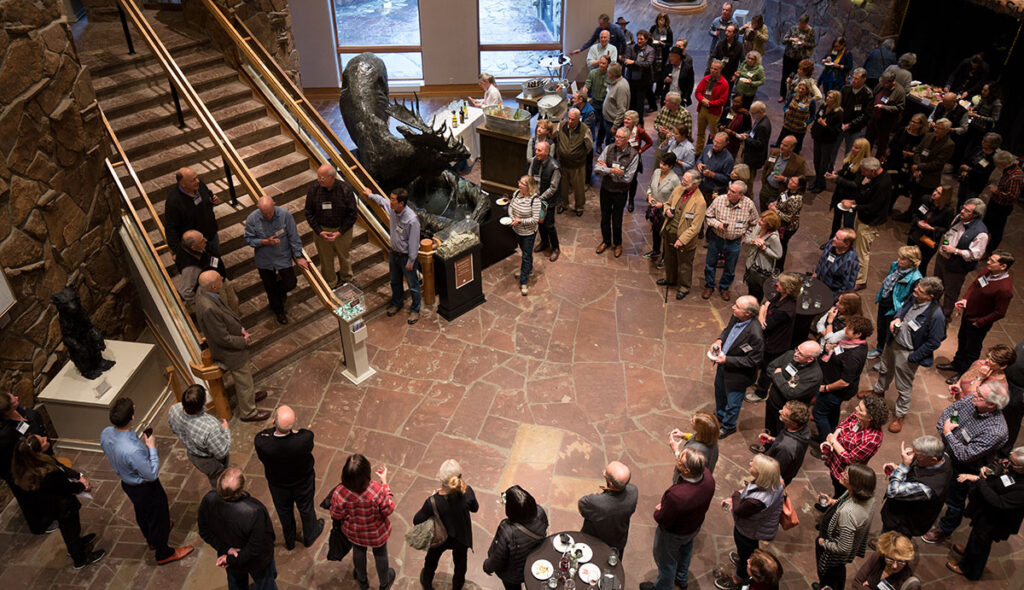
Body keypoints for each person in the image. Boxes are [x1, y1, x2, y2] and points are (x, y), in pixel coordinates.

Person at [100, 397, 194, 565]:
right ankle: (164, 553)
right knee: (158, 516)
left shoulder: (106, 433)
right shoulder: (132, 450)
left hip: (127, 483)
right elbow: (151, 474)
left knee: (142, 512)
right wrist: (151, 447)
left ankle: (151, 539)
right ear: (132, 417)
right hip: (144, 487)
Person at [923, 382, 1010, 545]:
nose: (973, 395)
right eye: (977, 392)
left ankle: (945, 529)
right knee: (935, 484)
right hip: (945, 453)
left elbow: (965, 455)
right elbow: (948, 413)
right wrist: (945, 430)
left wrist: (948, 433)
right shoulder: (973, 400)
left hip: (963, 469)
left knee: (954, 501)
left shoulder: (995, 430)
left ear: (991, 404)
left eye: (979, 396)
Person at [10, 434, 105, 569]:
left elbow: (60, 467)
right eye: (43, 441)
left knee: (71, 530)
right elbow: (65, 487)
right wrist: (82, 487)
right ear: (37, 452)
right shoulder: (46, 475)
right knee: (70, 530)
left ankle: (77, 543)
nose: (45, 438)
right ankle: (79, 558)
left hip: (54, 506)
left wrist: (78, 476)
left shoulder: (34, 464)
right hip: (62, 508)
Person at [871, 277, 946, 432]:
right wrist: (897, 317)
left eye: (920, 290)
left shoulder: (936, 316)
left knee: (903, 385)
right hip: (893, 342)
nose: (915, 290)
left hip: (908, 352)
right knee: (884, 369)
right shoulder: (914, 297)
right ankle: (878, 392)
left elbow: (934, 342)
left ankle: (900, 414)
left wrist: (913, 357)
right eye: (917, 286)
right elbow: (903, 308)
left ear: (930, 296)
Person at [194, 270, 270, 422]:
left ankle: (248, 398)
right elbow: (222, 338)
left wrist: (239, 329)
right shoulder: (208, 308)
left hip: (233, 339)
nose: (222, 278)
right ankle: (248, 412)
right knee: (244, 380)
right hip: (228, 352)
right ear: (214, 286)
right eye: (219, 278)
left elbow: (225, 319)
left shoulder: (205, 292)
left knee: (246, 380)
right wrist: (243, 340)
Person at [640, 449, 715, 590]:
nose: (677, 459)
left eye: (679, 459)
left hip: (673, 533)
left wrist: (660, 509)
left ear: (686, 471)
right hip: (693, 527)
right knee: (685, 550)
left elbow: (662, 519)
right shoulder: (708, 477)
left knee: (666, 562)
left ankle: (663, 587)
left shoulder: (677, 496)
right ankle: (681, 578)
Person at [947, 446, 1024, 580]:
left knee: (981, 543)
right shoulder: (1014, 466)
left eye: (1013, 463)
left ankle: (970, 570)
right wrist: (988, 470)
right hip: (986, 512)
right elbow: (1001, 466)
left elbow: (999, 502)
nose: (1008, 464)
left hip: (996, 521)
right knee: (976, 535)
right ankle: (969, 552)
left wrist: (980, 481)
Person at [254, 405, 323, 551]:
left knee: (284, 512)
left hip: (278, 484)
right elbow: (306, 433)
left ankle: (290, 541)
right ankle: (310, 535)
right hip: (303, 481)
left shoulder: (263, 442)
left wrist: (273, 432)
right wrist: (294, 432)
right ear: (295, 422)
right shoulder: (304, 439)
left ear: (273, 421)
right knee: (306, 507)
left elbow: (262, 435)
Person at [938, 250, 1014, 380]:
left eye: (992, 261)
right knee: (962, 340)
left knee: (971, 350)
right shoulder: (988, 271)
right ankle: (956, 363)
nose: (988, 262)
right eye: (989, 259)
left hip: (978, 323)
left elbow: (1000, 312)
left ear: (1003, 267)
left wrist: (979, 322)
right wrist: (965, 299)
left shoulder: (1005, 289)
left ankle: (963, 374)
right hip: (968, 314)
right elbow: (975, 285)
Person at [198, 467, 278, 590]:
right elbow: (256, 548)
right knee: (266, 584)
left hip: (231, 560)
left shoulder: (208, 500)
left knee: (236, 583)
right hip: (255, 562)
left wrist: (227, 551)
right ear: (240, 490)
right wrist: (230, 557)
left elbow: (204, 531)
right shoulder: (254, 511)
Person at [716, 455, 785, 590]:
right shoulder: (777, 480)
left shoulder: (756, 501)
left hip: (749, 531)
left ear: (761, 474)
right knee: (748, 550)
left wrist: (735, 495)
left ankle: (739, 576)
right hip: (760, 526)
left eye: (753, 464)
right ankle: (745, 559)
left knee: (746, 551)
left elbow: (739, 510)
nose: (750, 463)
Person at [330, 454, 396, 590]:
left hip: (355, 533)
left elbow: (336, 514)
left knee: (358, 552)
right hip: (377, 534)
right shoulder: (376, 490)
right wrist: (385, 483)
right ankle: (384, 583)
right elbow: (388, 508)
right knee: (381, 555)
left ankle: (362, 580)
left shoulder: (339, 492)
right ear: (367, 474)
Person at [243, 195, 308, 325]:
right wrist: (264, 242)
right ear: (258, 208)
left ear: (274, 205)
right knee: (269, 285)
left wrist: (299, 256)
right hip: (264, 260)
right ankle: (278, 311)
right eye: (264, 213)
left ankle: (275, 296)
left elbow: (293, 237)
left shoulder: (285, 215)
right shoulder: (252, 219)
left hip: (282, 256)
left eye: (270, 212)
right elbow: (248, 239)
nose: (267, 216)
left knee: (290, 283)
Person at [414, 460, 478, 590]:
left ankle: (427, 583)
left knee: (431, 561)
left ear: (441, 479)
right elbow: (475, 508)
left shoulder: (432, 502)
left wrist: (432, 504)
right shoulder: (467, 491)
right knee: (460, 564)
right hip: (461, 537)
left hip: (440, 538)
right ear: (458, 478)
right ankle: (457, 587)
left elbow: (417, 520)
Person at [0, 390, 56, 534]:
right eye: (14, 400)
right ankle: (41, 524)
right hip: (23, 469)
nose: (18, 397)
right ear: (6, 411)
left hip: (39, 460)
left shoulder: (24, 413)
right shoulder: (6, 436)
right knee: (30, 498)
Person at [364, 187, 422, 325]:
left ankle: (415, 310)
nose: (390, 201)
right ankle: (397, 302)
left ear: (401, 203)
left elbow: (414, 242)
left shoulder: (412, 220)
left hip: (406, 257)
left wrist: (411, 261)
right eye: (391, 198)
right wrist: (371, 195)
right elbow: (382, 201)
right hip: (393, 253)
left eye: (393, 199)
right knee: (394, 281)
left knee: (413, 284)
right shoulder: (393, 209)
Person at [815, 464, 877, 590]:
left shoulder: (848, 513)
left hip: (831, 555)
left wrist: (823, 543)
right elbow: (847, 501)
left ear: (856, 484)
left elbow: (843, 548)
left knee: (828, 577)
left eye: (846, 475)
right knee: (837, 573)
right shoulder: (866, 497)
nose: (842, 474)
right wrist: (834, 502)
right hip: (838, 559)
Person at [709, 295, 764, 437]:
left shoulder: (755, 334)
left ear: (748, 313)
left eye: (737, 306)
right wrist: (719, 341)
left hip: (738, 375)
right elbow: (728, 330)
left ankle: (728, 426)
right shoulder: (737, 317)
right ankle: (720, 415)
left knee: (733, 402)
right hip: (723, 366)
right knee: (719, 392)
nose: (733, 307)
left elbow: (753, 361)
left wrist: (727, 360)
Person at [879, 436, 953, 538]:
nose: (913, 457)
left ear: (933, 459)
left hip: (903, 524)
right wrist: (897, 468)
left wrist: (903, 467)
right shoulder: (943, 457)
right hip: (902, 512)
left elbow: (893, 491)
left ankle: (883, 550)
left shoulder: (928, 487)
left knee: (891, 546)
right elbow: (915, 474)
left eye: (917, 455)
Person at [814, 315, 872, 440]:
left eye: (849, 328)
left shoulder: (853, 356)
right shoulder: (851, 343)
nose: (845, 329)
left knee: (818, 414)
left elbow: (845, 382)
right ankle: (832, 430)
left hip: (835, 391)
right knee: (832, 411)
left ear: (858, 334)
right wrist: (830, 349)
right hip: (832, 382)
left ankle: (827, 442)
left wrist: (825, 388)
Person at [932, 198, 988, 319]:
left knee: (950, 292)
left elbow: (975, 255)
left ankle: (944, 315)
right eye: (963, 208)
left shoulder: (981, 233)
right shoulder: (959, 217)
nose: (962, 211)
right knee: (935, 284)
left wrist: (955, 251)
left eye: (967, 211)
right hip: (942, 258)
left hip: (956, 266)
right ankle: (931, 307)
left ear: (975, 215)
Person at [482, 485, 548, 590]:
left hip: (513, 574)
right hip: (533, 563)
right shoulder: (540, 512)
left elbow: (498, 555)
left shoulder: (507, 529)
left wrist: (487, 566)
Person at [819, 397, 887, 498]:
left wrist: (833, 442)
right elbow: (843, 424)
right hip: (834, 461)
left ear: (869, 418)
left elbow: (850, 459)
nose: (856, 409)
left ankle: (833, 506)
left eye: (860, 409)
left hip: (844, 472)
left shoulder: (872, 439)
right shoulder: (858, 416)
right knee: (834, 483)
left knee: (841, 493)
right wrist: (834, 437)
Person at [749, 274, 801, 402]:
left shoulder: (786, 309)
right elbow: (764, 304)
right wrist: (763, 312)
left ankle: (761, 393)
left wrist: (763, 313)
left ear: (788, 288)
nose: (776, 284)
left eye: (781, 283)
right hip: (768, 340)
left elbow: (765, 326)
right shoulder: (780, 296)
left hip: (775, 345)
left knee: (768, 369)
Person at [167, 383, 231, 488]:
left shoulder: (174, 409)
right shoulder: (210, 427)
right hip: (212, 461)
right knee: (222, 481)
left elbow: (174, 429)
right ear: (203, 403)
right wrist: (226, 430)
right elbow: (221, 453)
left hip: (194, 455)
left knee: (213, 478)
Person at [703, 181, 758, 301]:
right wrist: (718, 225)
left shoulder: (749, 205)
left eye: (733, 192)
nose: (728, 193)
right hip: (717, 238)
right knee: (710, 264)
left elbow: (755, 223)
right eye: (729, 189)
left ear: (741, 195)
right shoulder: (719, 200)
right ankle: (709, 285)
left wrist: (747, 236)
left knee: (730, 267)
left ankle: (724, 287)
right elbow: (708, 216)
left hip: (734, 241)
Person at [305, 163, 357, 288]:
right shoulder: (314, 190)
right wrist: (319, 231)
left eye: (322, 178)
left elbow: (352, 214)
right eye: (318, 177)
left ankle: (347, 279)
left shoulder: (345, 190)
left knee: (344, 257)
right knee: (325, 259)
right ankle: (331, 283)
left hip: (341, 231)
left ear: (332, 177)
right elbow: (308, 212)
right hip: (322, 231)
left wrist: (340, 232)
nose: (319, 180)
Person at [869, 246, 923, 358]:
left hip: (895, 309)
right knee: (881, 328)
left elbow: (911, 300)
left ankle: (886, 358)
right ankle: (880, 349)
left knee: (891, 335)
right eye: (899, 257)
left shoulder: (916, 278)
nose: (899, 260)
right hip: (884, 301)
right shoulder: (895, 266)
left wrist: (899, 313)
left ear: (912, 261)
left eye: (903, 259)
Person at [577, 461, 638, 557]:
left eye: (605, 473)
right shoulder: (634, 491)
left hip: (594, 543)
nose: (604, 474)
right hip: (618, 542)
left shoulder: (595, 502)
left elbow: (581, 506)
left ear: (611, 483)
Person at [762, 340, 823, 436]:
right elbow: (770, 368)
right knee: (769, 428)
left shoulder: (814, 376)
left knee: (781, 436)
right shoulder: (790, 354)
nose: (795, 354)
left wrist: (778, 375)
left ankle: (773, 450)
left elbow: (791, 394)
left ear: (810, 359)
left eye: (800, 354)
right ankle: (766, 447)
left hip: (788, 415)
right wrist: (785, 385)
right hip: (772, 402)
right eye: (797, 349)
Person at [899, 118, 955, 222]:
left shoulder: (949, 144)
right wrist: (917, 166)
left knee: (923, 200)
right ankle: (909, 215)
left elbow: (937, 163)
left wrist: (919, 167)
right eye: (936, 127)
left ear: (947, 130)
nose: (936, 130)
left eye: (940, 128)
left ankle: (917, 220)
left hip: (930, 177)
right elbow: (918, 151)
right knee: (914, 196)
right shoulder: (929, 136)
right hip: (917, 173)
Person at [848, 157, 891, 289]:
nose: (862, 174)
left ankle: (860, 280)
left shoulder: (883, 183)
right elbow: (865, 196)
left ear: (873, 171)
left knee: (862, 252)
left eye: (864, 171)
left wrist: (854, 207)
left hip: (870, 222)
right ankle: (854, 273)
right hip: (863, 217)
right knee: (856, 248)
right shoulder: (872, 179)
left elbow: (874, 206)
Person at [595, 127, 639, 258]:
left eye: (620, 138)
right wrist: (612, 171)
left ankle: (618, 244)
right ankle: (606, 241)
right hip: (606, 189)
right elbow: (597, 168)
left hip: (620, 192)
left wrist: (606, 169)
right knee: (604, 217)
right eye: (616, 137)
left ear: (627, 139)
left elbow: (628, 178)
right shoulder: (609, 148)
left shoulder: (634, 155)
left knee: (617, 219)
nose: (617, 139)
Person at [174, 229, 238, 315]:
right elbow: (185, 291)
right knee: (224, 311)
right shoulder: (190, 268)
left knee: (233, 302)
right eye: (202, 241)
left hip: (220, 279)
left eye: (203, 237)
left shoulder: (199, 248)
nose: (206, 240)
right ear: (193, 247)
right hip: (213, 289)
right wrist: (204, 301)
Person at [163, 166, 220, 258]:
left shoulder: (199, 185)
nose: (197, 181)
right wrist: (177, 251)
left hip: (211, 235)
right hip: (196, 245)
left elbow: (208, 197)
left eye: (197, 177)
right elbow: (170, 228)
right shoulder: (173, 201)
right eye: (193, 180)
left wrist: (214, 201)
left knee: (216, 262)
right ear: (183, 184)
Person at [755, 401, 811, 486]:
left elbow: (774, 471)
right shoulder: (804, 429)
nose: (779, 411)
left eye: (784, 414)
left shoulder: (785, 448)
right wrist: (773, 439)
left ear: (793, 423)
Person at [825, 137, 870, 236]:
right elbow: (845, 171)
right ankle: (832, 241)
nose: (853, 149)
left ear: (863, 150)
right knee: (836, 219)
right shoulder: (851, 158)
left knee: (848, 223)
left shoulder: (864, 166)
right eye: (854, 146)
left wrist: (837, 178)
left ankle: (847, 245)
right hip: (840, 194)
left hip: (850, 198)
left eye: (857, 148)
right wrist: (836, 173)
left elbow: (855, 184)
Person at [885, 114, 928, 214]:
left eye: (915, 122)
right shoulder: (902, 130)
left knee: (898, 188)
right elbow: (892, 144)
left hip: (907, 165)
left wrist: (912, 154)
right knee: (888, 184)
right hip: (894, 161)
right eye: (911, 121)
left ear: (921, 125)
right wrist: (901, 152)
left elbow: (922, 152)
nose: (911, 124)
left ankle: (889, 208)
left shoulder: (923, 137)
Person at [908, 185, 955, 274]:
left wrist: (933, 228)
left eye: (939, 193)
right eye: (935, 190)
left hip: (928, 241)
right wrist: (918, 222)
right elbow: (914, 213)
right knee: (908, 258)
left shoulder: (948, 210)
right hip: (915, 235)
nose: (934, 193)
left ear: (944, 197)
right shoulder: (925, 199)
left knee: (921, 265)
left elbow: (946, 228)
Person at [527, 140, 562, 260]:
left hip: (548, 201)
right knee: (539, 222)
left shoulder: (554, 167)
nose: (536, 152)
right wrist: (532, 193)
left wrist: (540, 198)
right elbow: (530, 177)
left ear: (547, 152)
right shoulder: (534, 161)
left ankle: (556, 248)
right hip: (536, 198)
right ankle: (544, 242)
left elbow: (553, 188)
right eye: (536, 150)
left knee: (549, 225)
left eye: (539, 150)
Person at [644, 152, 681, 262]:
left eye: (664, 165)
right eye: (661, 163)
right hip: (654, 209)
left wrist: (663, 204)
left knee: (665, 235)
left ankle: (666, 258)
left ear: (671, 166)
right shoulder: (656, 172)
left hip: (665, 211)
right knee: (655, 231)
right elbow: (650, 186)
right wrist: (649, 195)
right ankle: (656, 251)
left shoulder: (674, 179)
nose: (661, 166)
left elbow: (677, 199)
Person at [508, 176, 542, 296]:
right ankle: (529, 270)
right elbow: (511, 207)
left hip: (528, 233)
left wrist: (520, 221)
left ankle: (524, 281)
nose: (519, 184)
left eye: (521, 183)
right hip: (517, 230)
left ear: (528, 187)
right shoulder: (517, 193)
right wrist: (512, 218)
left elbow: (535, 219)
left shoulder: (535, 200)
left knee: (526, 256)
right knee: (524, 252)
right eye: (519, 182)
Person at [555, 108, 592, 217]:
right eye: (569, 118)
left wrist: (578, 155)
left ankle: (579, 206)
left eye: (573, 120)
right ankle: (563, 204)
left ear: (578, 120)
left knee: (578, 188)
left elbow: (588, 146)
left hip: (577, 165)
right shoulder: (560, 126)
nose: (570, 121)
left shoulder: (585, 130)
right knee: (563, 186)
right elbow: (558, 140)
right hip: (563, 163)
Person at [984, 149, 1024, 251]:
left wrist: (996, 191)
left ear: (1003, 163)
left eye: (998, 164)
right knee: (986, 224)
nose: (997, 167)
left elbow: (1012, 196)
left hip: (1002, 207)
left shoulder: (1016, 176)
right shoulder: (1008, 170)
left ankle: (989, 251)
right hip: (995, 202)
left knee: (996, 231)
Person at [852, 531, 920, 589]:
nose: (894, 566)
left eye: (900, 561)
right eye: (890, 559)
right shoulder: (877, 557)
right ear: (884, 554)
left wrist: (865, 587)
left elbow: (859, 586)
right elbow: (856, 582)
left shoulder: (906, 579)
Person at [950, 345, 1015, 403]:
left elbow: (972, 400)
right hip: (958, 403)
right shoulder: (979, 363)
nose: (986, 360)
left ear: (1003, 366)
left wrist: (980, 378)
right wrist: (958, 384)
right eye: (988, 356)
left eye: (992, 360)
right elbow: (965, 376)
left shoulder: (999, 386)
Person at [758, 135, 806, 212]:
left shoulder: (799, 162)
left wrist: (784, 179)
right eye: (781, 144)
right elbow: (766, 167)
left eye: (785, 145)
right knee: (763, 211)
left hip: (780, 192)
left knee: (773, 215)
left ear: (792, 148)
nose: (781, 147)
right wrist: (764, 180)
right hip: (766, 187)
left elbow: (801, 182)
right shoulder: (774, 152)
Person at [834, 68, 874, 164]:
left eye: (857, 79)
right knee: (833, 148)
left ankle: (844, 171)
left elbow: (866, 115)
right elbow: (838, 105)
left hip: (854, 128)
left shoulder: (868, 94)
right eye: (853, 78)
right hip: (840, 124)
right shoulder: (845, 89)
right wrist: (841, 122)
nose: (853, 81)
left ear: (864, 80)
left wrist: (850, 124)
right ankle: (830, 169)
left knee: (850, 152)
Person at [742, 211, 783, 301]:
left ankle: (754, 308)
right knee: (751, 287)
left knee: (757, 292)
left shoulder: (773, 237)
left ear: (769, 225)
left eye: (762, 221)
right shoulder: (758, 227)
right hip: (750, 263)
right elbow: (747, 240)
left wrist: (764, 249)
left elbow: (778, 254)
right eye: (761, 218)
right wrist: (754, 240)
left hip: (761, 269)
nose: (759, 221)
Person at [865, 70, 906, 160]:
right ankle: (865, 158)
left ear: (893, 81)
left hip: (886, 122)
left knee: (882, 143)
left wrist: (884, 107)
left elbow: (900, 108)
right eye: (882, 82)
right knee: (868, 139)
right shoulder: (881, 85)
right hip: (874, 117)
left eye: (885, 83)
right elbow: (874, 95)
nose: (883, 85)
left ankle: (877, 160)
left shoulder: (900, 91)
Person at [694, 60, 730, 154]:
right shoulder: (706, 79)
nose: (713, 70)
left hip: (714, 112)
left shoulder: (724, 83)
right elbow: (698, 92)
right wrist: (702, 100)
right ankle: (698, 152)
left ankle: (713, 152)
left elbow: (722, 100)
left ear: (720, 70)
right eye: (712, 68)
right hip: (702, 109)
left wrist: (710, 103)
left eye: (716, 69)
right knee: (700, 133)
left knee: (714, 134)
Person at [810, 90, 843, 193]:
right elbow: (817, 116)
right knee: (816, 161)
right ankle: (816, 181)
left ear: (835, 100)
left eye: (830, 97)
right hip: (818, 138)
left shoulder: (838, 113)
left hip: (828, 142)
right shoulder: (824, 106)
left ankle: (821, 184)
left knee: (823, 164)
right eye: (827, 96)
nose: (827, 98)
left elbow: (836, 131)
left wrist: (825, 126)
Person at [769, 176, 805, 269]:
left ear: (799, 186)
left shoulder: (796, 199)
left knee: (781, 246)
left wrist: (775, 210)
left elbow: (789, 218)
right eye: (791, 180)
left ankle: (779, 268)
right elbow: (782, 199)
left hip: (787, 227)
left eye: (794, 182)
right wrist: (775, 203)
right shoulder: (788, 191)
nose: (790, 182)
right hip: (780, 223)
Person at [956, 132, 999, 207]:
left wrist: (969, 170)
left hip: (975, 185)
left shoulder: (993, 158)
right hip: (964, 179)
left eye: (985, 141)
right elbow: (966, 159)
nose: (982, 142)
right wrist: (964, 170)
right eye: (983, 140)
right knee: (960, 200)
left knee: (968, 204)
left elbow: (984, 173)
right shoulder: (978, 149)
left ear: (992, 144)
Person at [621, 110, 653, 212]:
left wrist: (640, 150)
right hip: (622, 159)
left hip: (634, 160)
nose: (625, 120)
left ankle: (631, 200)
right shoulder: (621, 130)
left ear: (634, 121)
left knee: (632, 181)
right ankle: (622, 200)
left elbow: (649, 142)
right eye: (625, 118)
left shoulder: (640, 131)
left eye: (628, 119)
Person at [779, 14, 815, 102]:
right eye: (799, 23)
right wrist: (791, 39)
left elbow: (812, 45)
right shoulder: (793, 28)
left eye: (802, 24)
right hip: (789, 55)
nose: (800, 25)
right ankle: (783, 95)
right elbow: (784, 40)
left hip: (800, 58)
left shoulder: (811, 31)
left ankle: (792, 96)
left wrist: (804, 44)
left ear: (806, 23)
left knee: (796, 77)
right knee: (785, 75)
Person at [814, 228, 860, 297]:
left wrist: (834, 301)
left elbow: (847, 287)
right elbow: (822, 259)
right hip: (819, 285)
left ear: (846, 244)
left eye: (837, 238)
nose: (834, 239)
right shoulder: (831, 244)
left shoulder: (850, 262)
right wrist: (816, 272)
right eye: (835, 236)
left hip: (830, 294)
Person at [696, 131, 734, 206]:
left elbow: (727, 178)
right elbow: (700, 158)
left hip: (714, 191)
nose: (715, 144)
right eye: (715, 141)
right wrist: (699, 164)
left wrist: (713, 175)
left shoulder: (728, 159)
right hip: (701, 185)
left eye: (718, 143)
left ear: (725, 144)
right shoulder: (708, 147)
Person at [652, 92, 691, 166]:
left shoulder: (685, 115)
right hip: (662, 142)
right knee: (657, 165)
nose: (664, 102)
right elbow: (656, 123)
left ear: (673, 104)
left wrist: (672, 134)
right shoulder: (664, 109)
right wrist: (659, 128)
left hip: (675, 146)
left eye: (666, 101)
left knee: (669, 167)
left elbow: (687, 135)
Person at [622, 30, 655, 115]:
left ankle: (639, 122)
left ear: (646, 40)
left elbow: (648, 64)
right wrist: (634, 63)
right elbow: (626, 61)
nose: (639, 41)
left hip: (644, 80)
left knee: (640, 103)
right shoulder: (631, 48)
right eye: (638, 39)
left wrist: (634, 63)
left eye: (641, 39)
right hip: (632, 79)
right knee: (631, 102)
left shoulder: (650, 50)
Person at [778, 81, 816, 154]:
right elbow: (785, 107)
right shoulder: (793, 96)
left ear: (807, 90)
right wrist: (786, 110)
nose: (800, 90)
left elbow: (813, 116)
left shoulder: (811, 101)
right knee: (781, 144)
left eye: (803, 89)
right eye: (799, 88)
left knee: (795, 150)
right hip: (788, 125)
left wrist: (806, 123)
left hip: (799, 129)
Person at [583, 56, 611, 148]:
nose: (601, 65)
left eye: (603, 63)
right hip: (594, 102)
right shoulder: (593, 73)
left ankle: (599, 144)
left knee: (603, 125)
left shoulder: (610, 75)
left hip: (605, 103)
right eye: (600, 63)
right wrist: (586, 88)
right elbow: (588, 82)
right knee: (591, 123)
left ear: (608, 65)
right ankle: (589, 143)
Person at [649, 13, 673, 110]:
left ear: (665, 21)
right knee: (652, 73)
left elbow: (670, 43)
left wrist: (662, 44)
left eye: (662, 20)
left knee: (661, 75)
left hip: (663, 55)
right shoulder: (653, 28)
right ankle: (650, 92)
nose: (660, 21)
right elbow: (649, 39)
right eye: (659, 19)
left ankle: (657, 93)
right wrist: (652, 41)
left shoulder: (668, 30)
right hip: (653, 53)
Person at [740, 101, 772, 171]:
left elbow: (760, 144)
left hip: (754, 157)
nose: (751, 115)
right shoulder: (760, 119)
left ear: (760, 112)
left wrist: (746, 139)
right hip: (749, 153)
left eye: (753, 113)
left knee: (748, 176)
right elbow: (753, 131)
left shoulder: (763, 126)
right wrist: (747, 134)